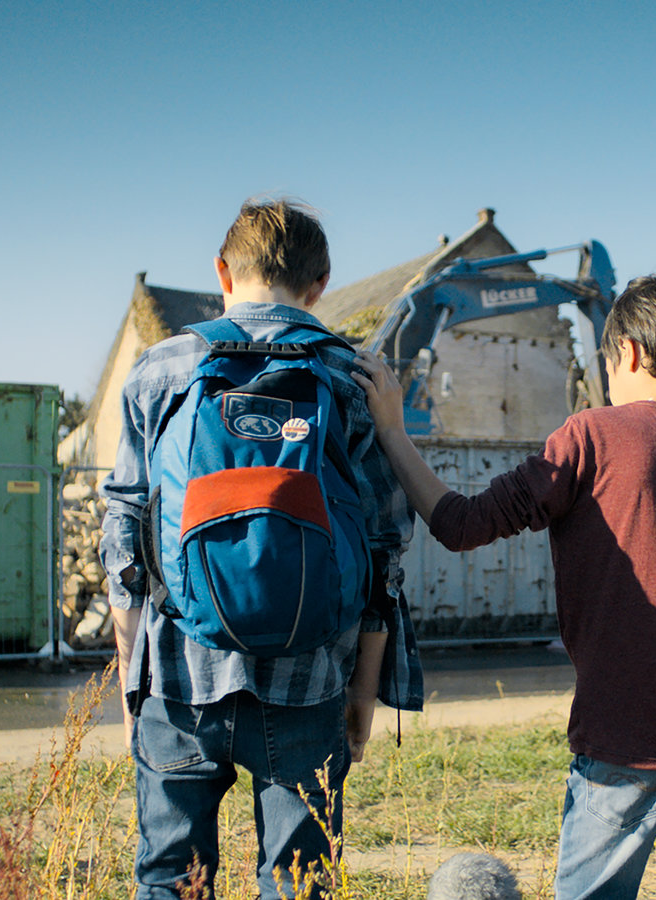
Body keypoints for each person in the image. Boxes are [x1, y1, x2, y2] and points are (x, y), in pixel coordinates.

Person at [351, 275, 656, 900]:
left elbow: (460, 524)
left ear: (629, 353)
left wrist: (393, 431)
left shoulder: (591, 438)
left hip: (625, 744)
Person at [101, 198, 420, 899]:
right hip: (309, 682)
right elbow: (383, 549)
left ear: (222, 270)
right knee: (300, 883)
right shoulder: (353, 378)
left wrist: (134, 679)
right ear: (322, 281)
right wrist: (363, 693)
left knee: (171, 881)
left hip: (180, 679)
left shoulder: (161, 369)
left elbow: (125, 537)